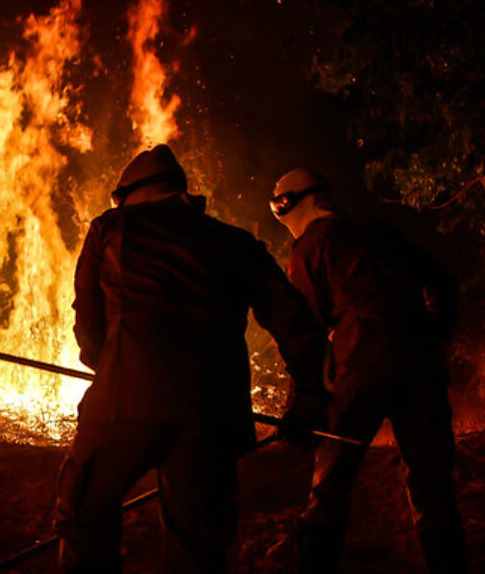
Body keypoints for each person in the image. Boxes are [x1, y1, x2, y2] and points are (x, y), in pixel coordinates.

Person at [54, 145, 330, 574]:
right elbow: (294, 320)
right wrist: (309, 394)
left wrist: (108, 364)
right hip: (213, 414)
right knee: (198, 547)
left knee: (84, 512)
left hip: (126, 401)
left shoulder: (111, 227)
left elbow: (87, 328)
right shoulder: (237, 243)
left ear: (129, 194)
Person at [270, 168, 468, 573]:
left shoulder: (311, 245)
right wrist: (435, 334)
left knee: (328, 489)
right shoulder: (375, 229)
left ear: (289, 203)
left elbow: (306, 331)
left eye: (277, 204)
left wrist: (302, 402)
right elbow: (441, 279)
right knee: (434, 489)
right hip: (420, 363)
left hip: (360, 369)